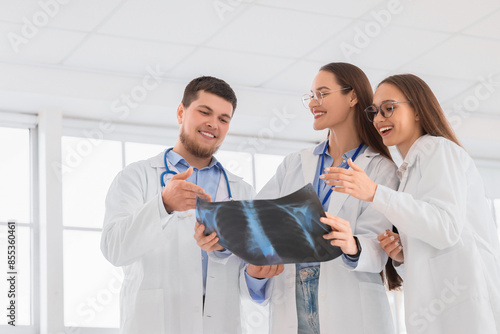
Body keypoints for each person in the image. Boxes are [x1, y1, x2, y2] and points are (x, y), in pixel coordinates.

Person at [325, 73, 500, 333]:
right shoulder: (408, 172)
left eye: (389, 108)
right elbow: (434, 251)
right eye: (374, 112)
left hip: (466, 313)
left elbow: (445, 228)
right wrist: (403, 256)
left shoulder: (439, 150)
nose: (378, 119)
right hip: (436, 313)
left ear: (418, 111)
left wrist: (374, 192)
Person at [240, 62, 401, 333]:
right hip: (291, 297)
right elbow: (257, 226)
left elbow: (380, 248)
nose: (314, 103)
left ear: (352, 97)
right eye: (311, 96)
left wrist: (352, 244)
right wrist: (254, 272)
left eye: (322, 93)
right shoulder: (293, 164)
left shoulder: (380, 169)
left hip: (348, 304)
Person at [101, 76, 255, 334]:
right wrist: (163, 205)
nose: (212, 124)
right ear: (181, 112)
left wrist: (243, 263)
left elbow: (249, 278)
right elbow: (114, 249)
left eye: (223, 119)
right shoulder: (136, 177)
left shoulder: (241, 191)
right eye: (204, 112)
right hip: (157, 323)